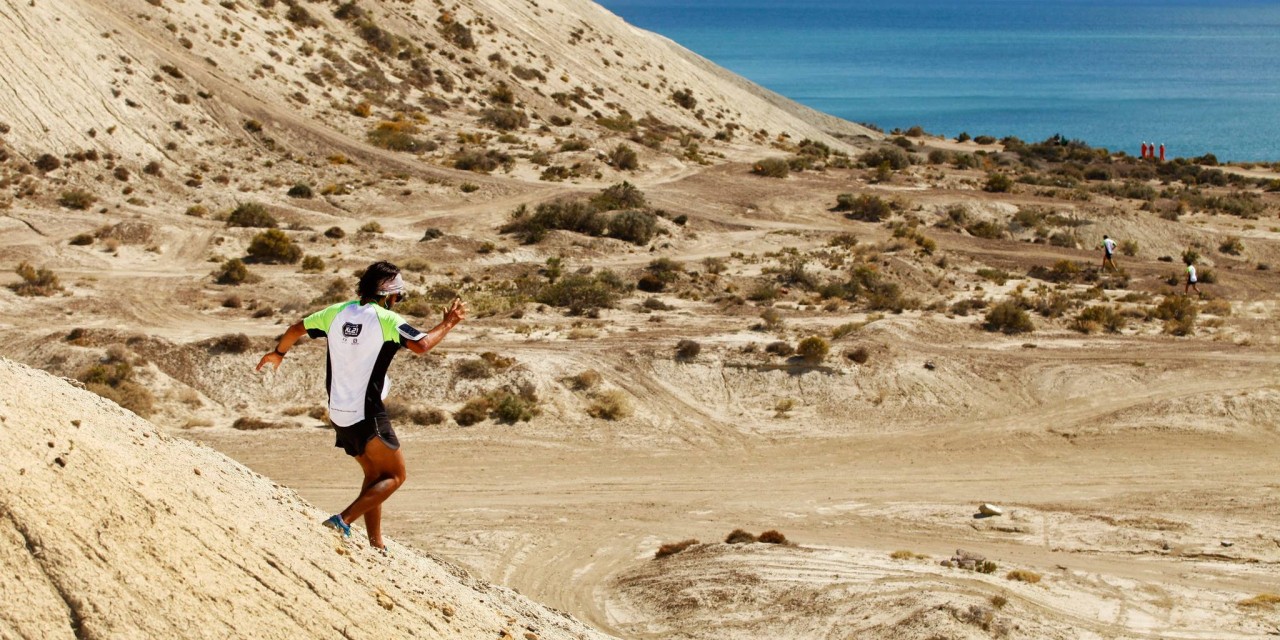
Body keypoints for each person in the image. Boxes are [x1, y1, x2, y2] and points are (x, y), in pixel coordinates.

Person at [256, 261, 466, 551]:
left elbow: (295, 329)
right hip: (368, 413)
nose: (397, 301)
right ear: (389, 294)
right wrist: (449, 323)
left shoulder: (337, 312)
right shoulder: (385, 319)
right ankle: (342, 520)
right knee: (395, 476)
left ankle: (376, 542)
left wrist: (278, 353)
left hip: (338, 414)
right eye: (398, 296)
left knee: (374, 476)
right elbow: (422, 345)